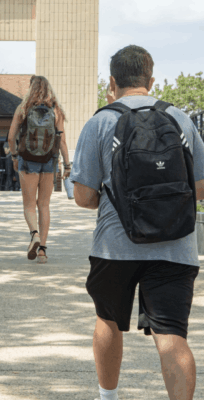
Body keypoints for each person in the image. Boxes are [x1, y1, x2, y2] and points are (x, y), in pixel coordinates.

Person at [70, 45, 204, 400]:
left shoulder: (100, 121)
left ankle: (108, 397)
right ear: (151, 80)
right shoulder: (181, 119)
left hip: (115, 246)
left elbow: (82, 196)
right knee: (172, 335)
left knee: (108, 320)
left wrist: (118, 203)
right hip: (176, 247)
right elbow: (201, 188)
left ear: (112, 82)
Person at [8, 76, 71, 263]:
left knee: (29, 205)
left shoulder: (23, 108)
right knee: (44, 204)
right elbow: (62, 141)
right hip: (49, 161)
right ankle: (42, 250)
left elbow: (11, 137)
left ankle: (34, 234)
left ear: (31, 88)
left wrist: (13, 156)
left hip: (27, 160)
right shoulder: (56, 110)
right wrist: (67, 164)